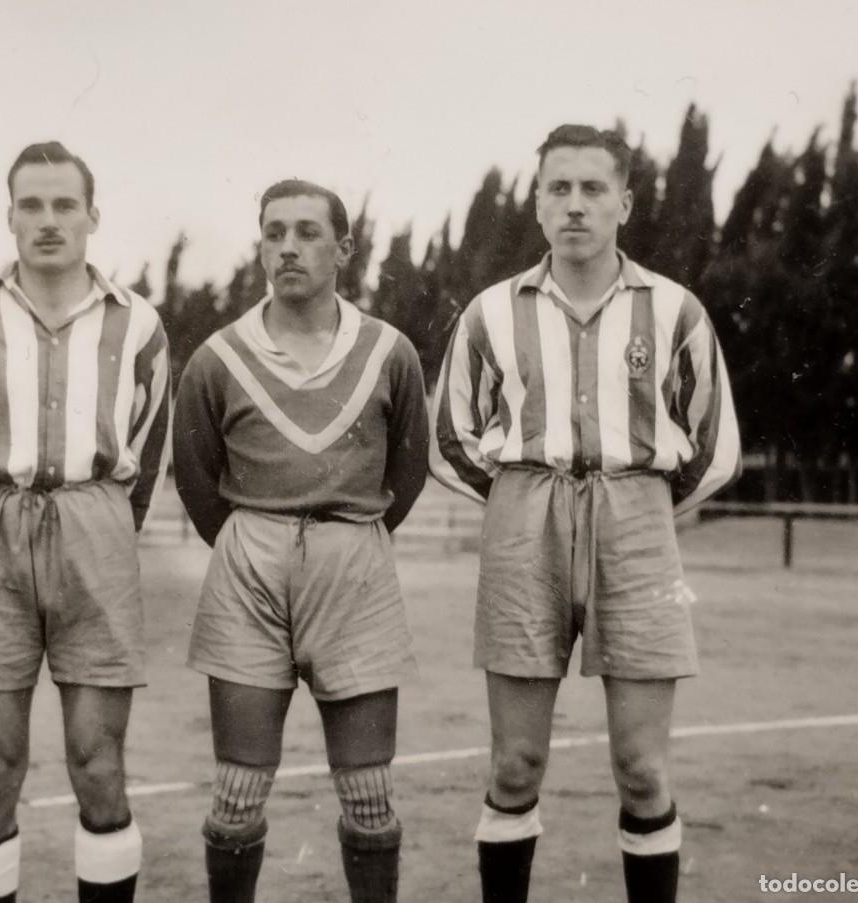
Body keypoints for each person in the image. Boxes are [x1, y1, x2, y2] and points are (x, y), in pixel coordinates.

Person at [431, 124, 741, 903]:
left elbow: (714, 442)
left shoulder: (674, 310)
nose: (575, 205)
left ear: (624, 204)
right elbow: (450, 436)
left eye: (593, 188)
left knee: (642, 768)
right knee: (515, 764)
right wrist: (519, 496)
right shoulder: (489, 313)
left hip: (637, 525)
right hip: (524, 522)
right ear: (538, 204)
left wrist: (640, 502)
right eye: (559, 188)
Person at [0, 141, 170, 903]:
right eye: (32, 205)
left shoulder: (138, 323)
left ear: (93, 215)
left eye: (65, 204)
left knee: (98, 761)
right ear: (10, 217)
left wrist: (100, 525)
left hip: (95, 528)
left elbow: (148, 448)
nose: (49, 220)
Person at [172, 179, 429, 903]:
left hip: (354, 563)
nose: (288, 247)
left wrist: (347, 537)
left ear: (344, 249)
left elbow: (407, 470)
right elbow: (196, 477)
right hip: (248, 568)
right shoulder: (218, 357)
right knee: (237, 789)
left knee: (369, 791)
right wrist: (256, 539)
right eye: (274, 232)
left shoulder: (389, 351)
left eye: (308, 232)